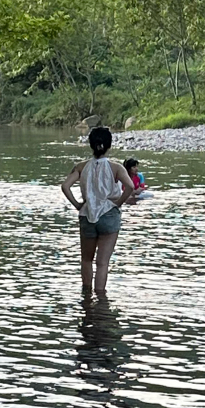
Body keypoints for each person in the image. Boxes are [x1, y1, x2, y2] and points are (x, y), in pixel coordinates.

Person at [61, 123, 134, 307]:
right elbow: (131, 187)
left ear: (91, 145)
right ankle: (101, 300)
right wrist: (117, 203)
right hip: (109, 215)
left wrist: (78, 205)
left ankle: (86, 298)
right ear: (108, 145)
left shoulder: (80, 166)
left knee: (86, 259)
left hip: (87, 216)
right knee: (102, 263)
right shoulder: (116, 168)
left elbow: (65, 186)